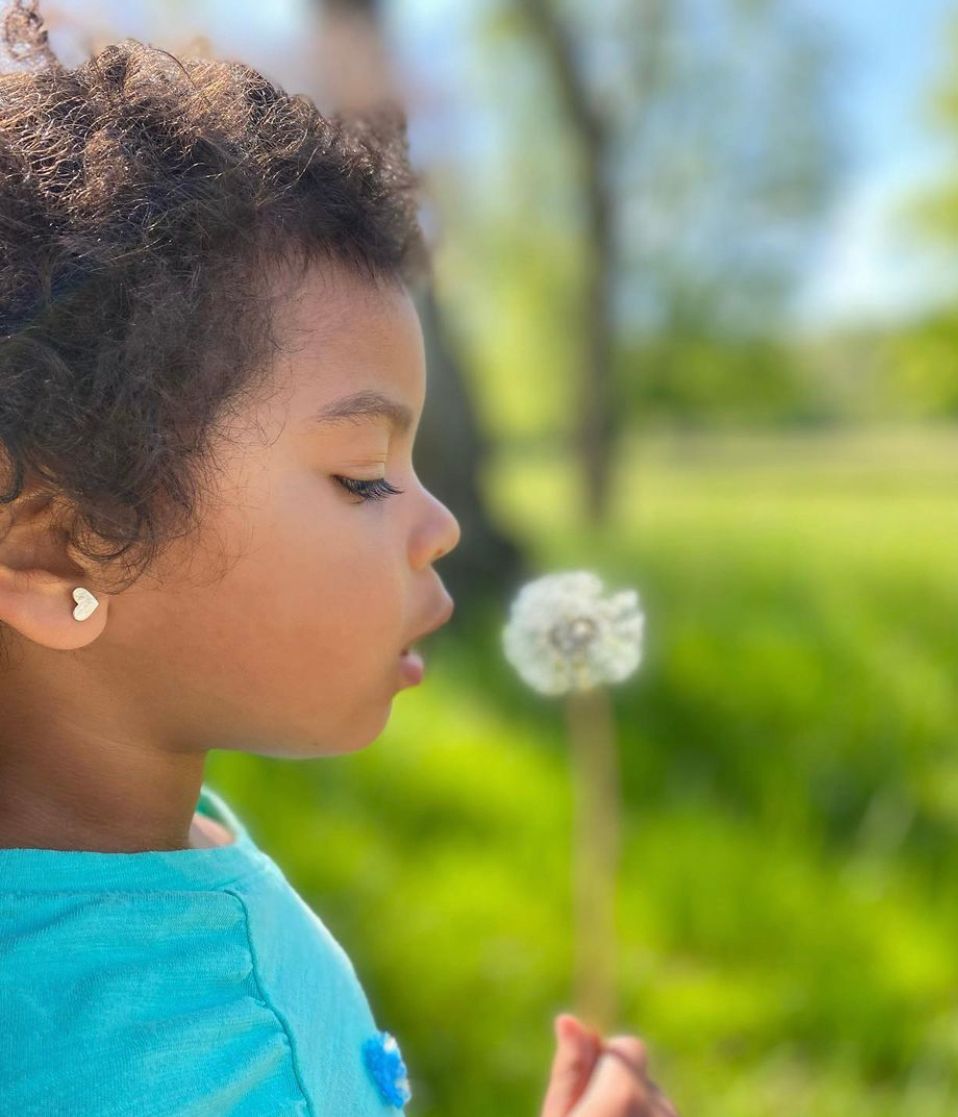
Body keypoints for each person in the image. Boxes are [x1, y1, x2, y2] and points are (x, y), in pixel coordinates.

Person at [0, 2, 680, 1115]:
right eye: (363, 474)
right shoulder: (99, 1066)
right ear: (47, 547)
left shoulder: (173, 833)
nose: (443, 522)